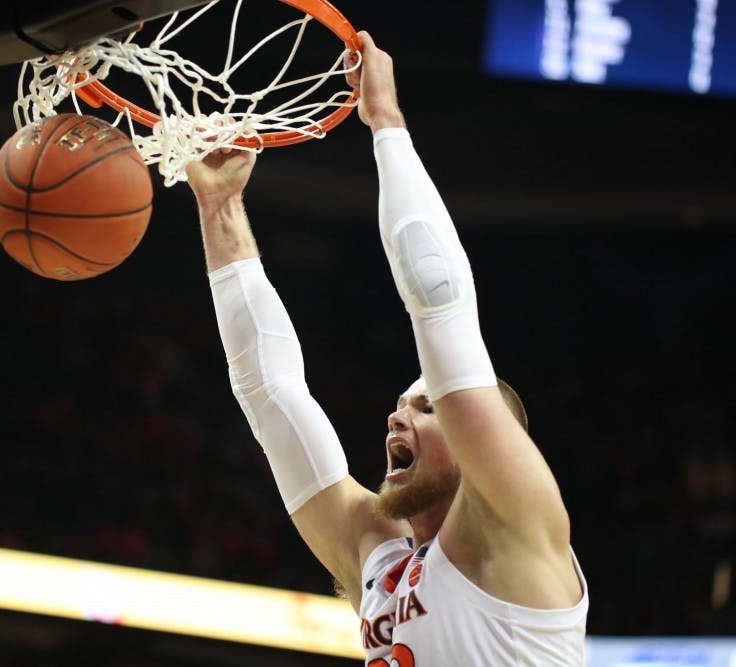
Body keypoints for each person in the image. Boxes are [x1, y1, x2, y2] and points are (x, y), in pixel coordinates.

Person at [184, 30, 588, 666]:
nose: (399, 415)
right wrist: (220, 205)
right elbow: (268, 393)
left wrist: (386, 121)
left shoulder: (516, 524)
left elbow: (437, 292)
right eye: (406, 404)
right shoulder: (380, 557)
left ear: (490, 441)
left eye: (428, 408)